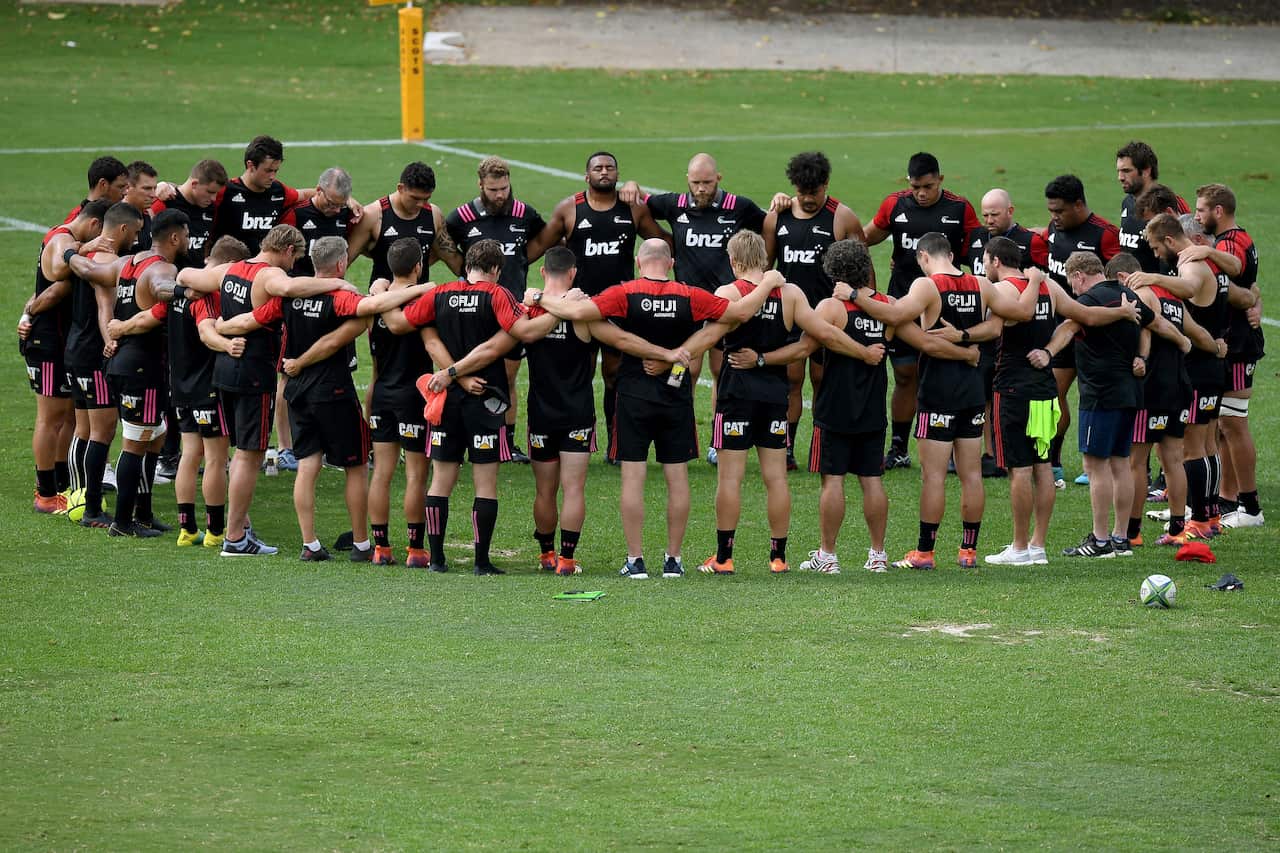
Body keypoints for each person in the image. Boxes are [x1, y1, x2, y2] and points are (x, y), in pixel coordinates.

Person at [426, 247, 679, 575]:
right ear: (573, 273)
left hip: (541, 412)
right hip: (577, 412)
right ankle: (567, 559)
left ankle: (546, 554)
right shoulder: (584, 314)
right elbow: (620, 341)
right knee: (573, 488)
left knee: (545, 490)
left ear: (544, 273)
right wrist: (667, 354)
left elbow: (504, 348)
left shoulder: (528, 313)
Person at [534, 238, 776, 580]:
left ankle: (635, 561)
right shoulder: (690, 295)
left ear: (637, 261)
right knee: (677, 478)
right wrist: (767, 281)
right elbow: (739, 313)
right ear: (672, 262)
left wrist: (538, 297)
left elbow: (575, 313)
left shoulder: (624, 292)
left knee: (633, 478)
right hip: (675, 395)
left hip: (633, 394)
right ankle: (673, 560)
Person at [215, 237, 432, 561]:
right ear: (341, 264)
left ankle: (310, 544)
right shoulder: (339, 296)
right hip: (334, 392)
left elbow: (250, 320)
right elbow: (366, 313)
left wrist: (221, 326)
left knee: (307, 465)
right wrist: (419, 289)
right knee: (355, 467)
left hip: (297, 392)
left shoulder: (288, 297)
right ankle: (362, 544)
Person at [735, 239, 931, 574]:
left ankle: (827, 556)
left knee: (834, 480)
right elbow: (924, 341)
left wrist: (762, 359)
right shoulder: (887, 306)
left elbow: (801, 350)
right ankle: (878, 555)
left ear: (833, 273)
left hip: (835, 405)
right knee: (872, 479)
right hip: (872, 406)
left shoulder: (830, 308)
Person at [850, 232, 1040, 570]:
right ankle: (968, 552)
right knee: (971, 476)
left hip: (938, 390)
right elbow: (1015, 316)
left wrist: (854, 295)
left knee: (934, 476)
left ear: (923, 256)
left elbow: (896, 317)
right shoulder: (980, 283)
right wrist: (1036, 280)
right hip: (972, 389)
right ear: (951, 253)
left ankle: (925, 552)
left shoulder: (928, 286)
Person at [699, 233, 875, 575]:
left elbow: (710, 335)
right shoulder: (791, 294)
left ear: (734, 262)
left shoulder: (728, 293)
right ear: (765, 259)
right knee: (776, 478)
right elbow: (824, 334)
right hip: (776, 394)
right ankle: (778, 558)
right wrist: (863, 351)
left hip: (735, 394)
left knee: (730, 479)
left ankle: (723, 558)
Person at [176, 224, 357, 556]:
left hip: (224, 371)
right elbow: (293, 288)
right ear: (288, 251)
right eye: (295, 258)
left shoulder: (229, 269)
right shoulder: (268, 275)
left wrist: (185, 290)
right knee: (249, 454)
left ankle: (240, 528)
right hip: (253, 372)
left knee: (236, 454)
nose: (294, 265)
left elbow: (187, 276)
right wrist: (337, 282)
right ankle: (234, 539)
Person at [620, 152, 771, 466]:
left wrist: (782, 204)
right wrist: (631, 183)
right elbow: (642, 203)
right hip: (684, 306)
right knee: (685, 371)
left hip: (723, 305)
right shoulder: (675, 204)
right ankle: (676, 437)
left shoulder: (738, 207)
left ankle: (717, 442)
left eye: (706, 182)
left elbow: (769, 224)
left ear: (719, 178)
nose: (701, 189)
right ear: (687, 179)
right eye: (695, 182)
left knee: (721, 373)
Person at [106, 235, 251, 548]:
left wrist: (120, 327)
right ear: (228, 264)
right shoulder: (207, 294)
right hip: (207, 388)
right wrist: (227, 344)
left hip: (179, 388)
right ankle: (214, 531)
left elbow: (149, 317)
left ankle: (187, 529)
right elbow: (205, 331)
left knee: (188, 455)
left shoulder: (177, 292)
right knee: (215, 459)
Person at [526, 151, 669, 457]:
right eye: (598, 168)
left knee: (616, 373)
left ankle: (615, 445)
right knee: (582, 371)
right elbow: (538, 246)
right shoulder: (569, 209)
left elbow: (664, 241)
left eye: (610, 168)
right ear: (586, 175)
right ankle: (576, 438)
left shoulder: (633, 209)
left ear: (617, 174)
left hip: (619, 307)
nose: (604, 172)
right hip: (578, 308)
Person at [1036, 252, 1175, 558]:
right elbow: (1156, 325)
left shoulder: (1087, 301)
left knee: (1096, 466)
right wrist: (1180, 344)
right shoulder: (1128, 295)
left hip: (1099, 395)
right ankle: (1121, 538)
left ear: (1078, 276)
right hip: (1130, 393)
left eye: (1072, 284)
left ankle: (1100, 541)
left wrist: (1047, 353)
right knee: (1120, 463)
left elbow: (1070, 327)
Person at [66, 209, 191, 536]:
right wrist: (181, 291)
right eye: (187, 236)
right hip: (143, 366)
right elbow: (163, 287)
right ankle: (123, 523)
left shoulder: (128, 263)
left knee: (157, 434)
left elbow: (91, 270)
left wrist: (69, 252)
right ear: (175, 237)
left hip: (123, 363)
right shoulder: (164, 269)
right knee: (135, 442)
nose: (189, 242)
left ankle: (144, 513)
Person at [863, 152, 979, 471]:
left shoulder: (959, 209)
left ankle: (956, 445)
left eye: (927, 186)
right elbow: (863, 237)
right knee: (904, 373)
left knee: (946, 373)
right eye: (915, 187)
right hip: (904, 302)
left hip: (946, 306)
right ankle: (899, 446)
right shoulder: (895, 205)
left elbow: (977, 253)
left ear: (940, 179)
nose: (921, 193)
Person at [1127, 213, 1239, 540]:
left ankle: (1199, 519)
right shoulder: (1212, 264)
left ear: (1171, 241)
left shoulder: (1189, 265)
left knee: (1191, 450)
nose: (1156, 254)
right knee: (1206, 445)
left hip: (1196, 369)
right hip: (1211, 365)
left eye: (1156, 246)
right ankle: (1211, 515)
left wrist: (1152, 278)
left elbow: (1189, 289)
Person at [763, 151, 866, 470]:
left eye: (814, 192)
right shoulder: (776, 217)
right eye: (802, 192)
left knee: (824, 381)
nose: (808, 200)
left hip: (829, 316)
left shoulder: (842, 217)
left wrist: (866, 309)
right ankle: (789, 448)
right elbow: (765, 266)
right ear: (793, 186)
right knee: (792, 381)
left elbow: (863, 269)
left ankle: (825, 447)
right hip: (789, 315)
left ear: (826, 185)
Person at [1110, 253, 1218, 548]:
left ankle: (1132, 533)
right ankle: (1177, 529)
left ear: (1122, 278)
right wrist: (1218, 348)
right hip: (1179, 387)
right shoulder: (1173, 300)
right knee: (1172, 458)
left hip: (1150, 389)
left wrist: (1140, 357)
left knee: (1136, 461)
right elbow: (1198, 334)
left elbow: (1148, 327)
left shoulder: (1141, 294)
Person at [445, 156, 548, 463]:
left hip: (513, 311)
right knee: (472, 372)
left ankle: (507, 442)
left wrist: (519, 262)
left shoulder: (524, 214)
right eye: (493, 190)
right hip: (474, 310)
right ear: (480, 186)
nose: (500, 195)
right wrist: (461, 272)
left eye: (504, 188)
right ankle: (466, 438)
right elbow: (445, 245)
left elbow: (545, 238)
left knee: (507, 377)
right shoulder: (461, 217)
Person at [1179, 183, 1265, 528]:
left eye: (1201, 210)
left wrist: (1209, 254)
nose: (1197, 217)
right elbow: (1248, 288)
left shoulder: (1231, 243)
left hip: (1239, 345)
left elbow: (1234, 267)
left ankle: (1250, 506)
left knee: (1233, 424)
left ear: (1218, 211)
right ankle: (1225, 500)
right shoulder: (1234, 239)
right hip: (1233, 343)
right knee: (1221, 427)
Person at [1030, 174, 1123, 487]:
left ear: (1079, 205)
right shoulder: (1055, 230)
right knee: (1054, 393)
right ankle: (1054, 461)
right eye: (1051, 211)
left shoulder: (1106, 234)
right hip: (1061, 326)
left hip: (1096, 328)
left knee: (1094, 395)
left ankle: (1100, 460)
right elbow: (1042, 242)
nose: (1053, 217)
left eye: (1059, 211)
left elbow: (1119, 280)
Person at [20, 200, 108, 512]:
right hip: (47, 342)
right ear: (96, 225)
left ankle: (59, 485)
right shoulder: (63, 240)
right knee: (50, 417)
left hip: (61, 342)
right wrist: (28, 314)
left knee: (68, 416)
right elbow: (56, 276)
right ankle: (45, 494)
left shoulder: (71, 239)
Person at [63, 202, 144, 528]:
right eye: (136, 232)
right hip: (94, 356)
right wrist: (110, 337)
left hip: (75, 350)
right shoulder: (107, 261)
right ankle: (93, 507)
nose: (137, 238)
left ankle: (80, 495)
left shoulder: (87, 258)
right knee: (102, 431)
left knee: (86, 430)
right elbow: (104, 306)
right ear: (122, 229)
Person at [366, 238, 434, 567]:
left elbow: (375, 365)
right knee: (416, 476)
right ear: (418, 267)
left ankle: (381, 548)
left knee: (381, 473)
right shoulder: (424, 301)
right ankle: (416, 549)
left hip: (382, 395)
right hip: (413, 398)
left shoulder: (376, 301)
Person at [967, 189, 1037, 477]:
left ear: (1010, 210)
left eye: (994, 214)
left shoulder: (1030, 243)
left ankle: (1023, 456)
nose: (989, 219)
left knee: (1006, 399)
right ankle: (992, 453)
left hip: (1009, 341)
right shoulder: (974, 239)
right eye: (985, 214)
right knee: (985, 396)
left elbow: (1022, 309)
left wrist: (960, 335)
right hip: (990, 339)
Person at [212, 135, 359, 255]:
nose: (272, 176)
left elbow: (305, 193)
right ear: (251, 165)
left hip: (263, 270)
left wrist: (346, 200)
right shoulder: (226, 191)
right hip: (229, 269)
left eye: (276, 171)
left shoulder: (278, 191)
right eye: (268, 170)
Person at [348, 161, 461, 285]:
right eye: (415, 198)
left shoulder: (434, 215)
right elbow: (344, 262)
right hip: (384, 300)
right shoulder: (374, 215)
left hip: (419, 302)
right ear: (400, 188)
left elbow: (453, 258)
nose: (421, 204)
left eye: (426, 199)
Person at [1115, 141, 1189, 273]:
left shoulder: (1169, 203)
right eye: (1119, 171)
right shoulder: (1127, 202)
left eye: (1126, 171)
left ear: (1146, 171)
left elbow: (1187, 243)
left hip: (1161, 287)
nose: (1120, 177)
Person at [150, 159, 227, 269]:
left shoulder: (210, 208)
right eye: (210, 192)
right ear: (194, 184)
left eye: (216, 193)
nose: (213, 198)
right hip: (168, 280)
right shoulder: (164, 203)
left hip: (197, 280)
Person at [63, 156, 129, 222]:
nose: (125, 192)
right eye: (120, 187)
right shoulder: (77, 220)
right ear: (103, 184)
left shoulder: (117, 214)